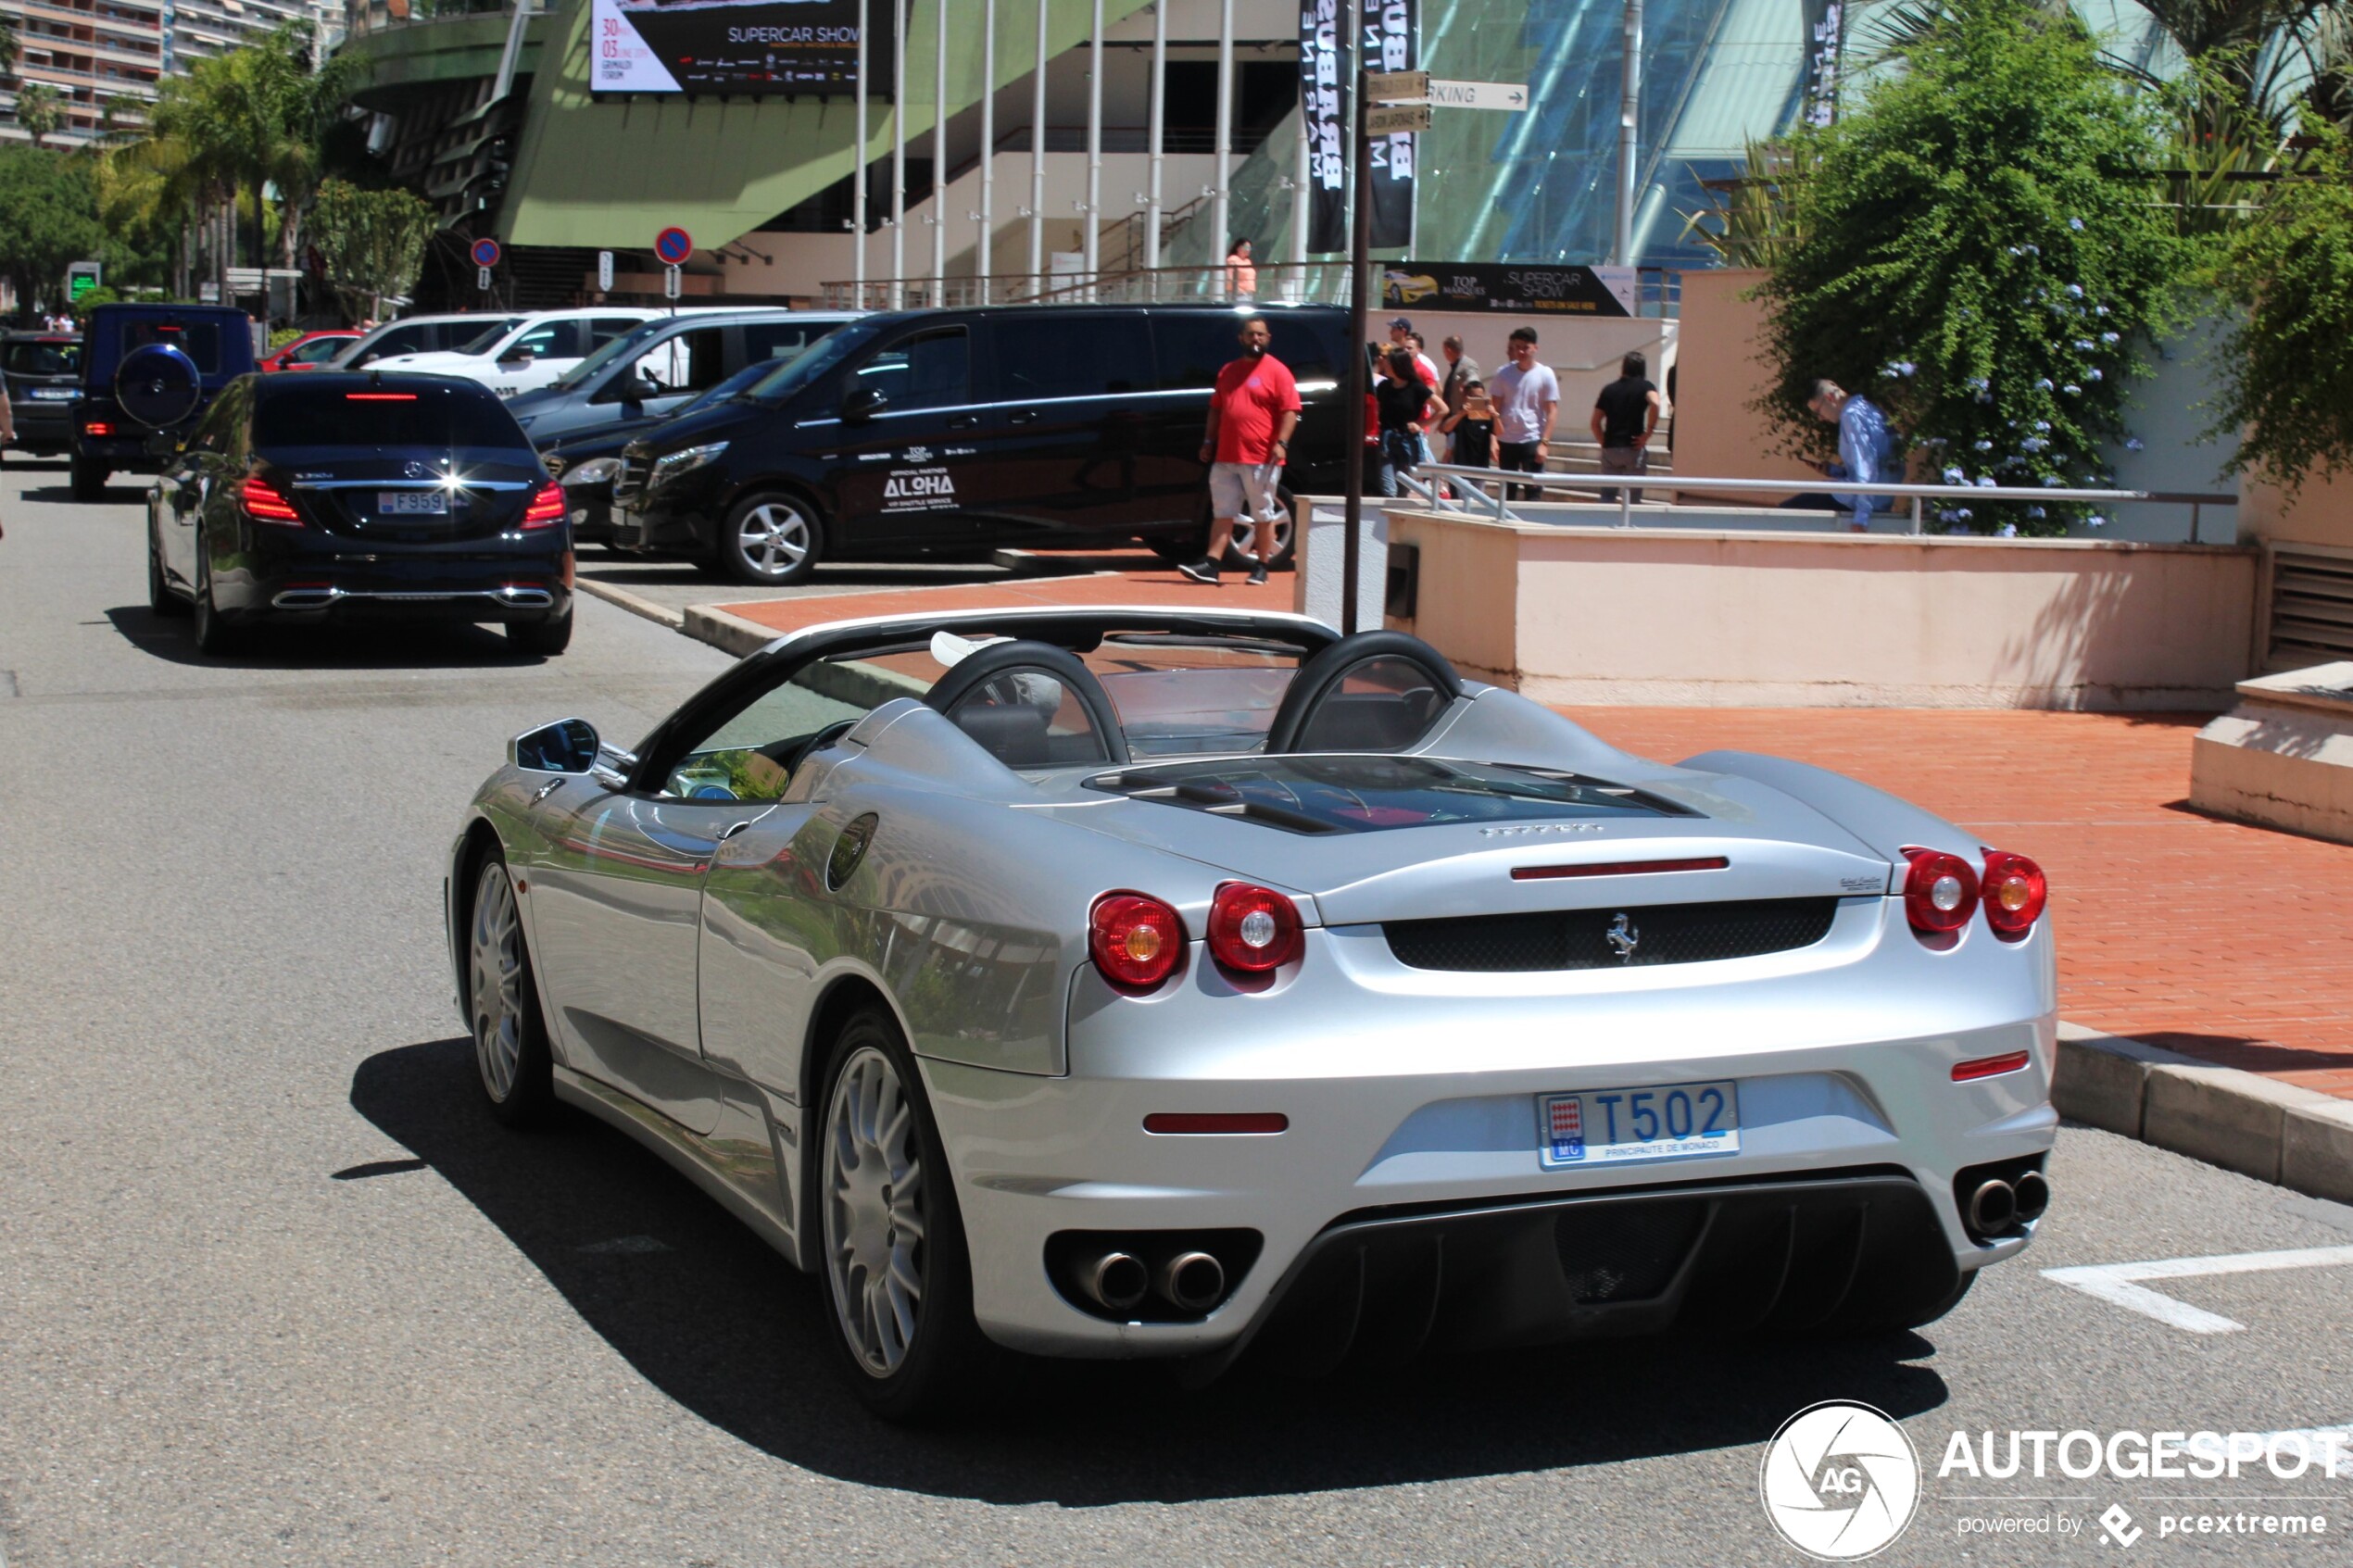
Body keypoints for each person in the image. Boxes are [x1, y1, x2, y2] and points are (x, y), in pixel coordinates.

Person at [1180, 315, 1299, 587]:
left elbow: (1290, 411)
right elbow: (1217, 408)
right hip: (1226, 455)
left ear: (1268, 339)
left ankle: (1262, 566)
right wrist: (1209, 442)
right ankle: (1212, 564)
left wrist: (1281, 443)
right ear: (1241, 338)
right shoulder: (1228, 371)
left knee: (1262, 512)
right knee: (1223, 511)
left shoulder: (1278, 371)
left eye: (1260, 334)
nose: (1255, 339)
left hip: (1260, 457)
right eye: (1250, 334)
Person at [1780, 379, 1896, 530]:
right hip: (1879, 500)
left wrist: (1861, 518)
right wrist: (1834, 471)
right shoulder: (1869, 409)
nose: (1820, 418)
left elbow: (1866, 468)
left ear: (1829, 398)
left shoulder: (1851, 416)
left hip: (1857, 501)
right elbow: (1876, 463)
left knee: (1783, 514)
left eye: (1818, 411)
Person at [1489, 326, 1559, 501]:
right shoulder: (1503, 373)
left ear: (1535, 348)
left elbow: (1552, 411)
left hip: (1532, 439)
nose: (1521, 351)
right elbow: (1494, 408)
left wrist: (1544, 443)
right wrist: (1493, 440)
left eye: (1525, 347)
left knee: (1533, 491)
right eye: (1517, 347)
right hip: (1506, 440)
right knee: (1507, 492)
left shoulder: (1545, 374)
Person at [1591, 350, 1662, 504]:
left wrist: (1604, 442)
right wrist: (1648, 432)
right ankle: (1630, 526)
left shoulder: (1609, 389)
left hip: (1611, 448)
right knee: (1633, 499)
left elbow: (1595, 423)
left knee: (1607, 497)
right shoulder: (1645, 386)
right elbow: (1655, 403)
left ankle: (1603, 525)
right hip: (1633, 448)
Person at [1374, 347, 1437, 497]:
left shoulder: (1416, 388)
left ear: (1398, 365)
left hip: (1407, 442)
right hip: (1387, 441)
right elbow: (1376, 409)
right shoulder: (1384, 386)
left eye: (1388, 363)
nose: (1385, 365)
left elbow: (1443, 409)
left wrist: (1420, 425)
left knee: (1403, 487)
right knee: (1388, 487)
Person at [1438, 334, 1481, 458]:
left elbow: (1474, 381)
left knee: (1452, 455)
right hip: (1454, 420)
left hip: (1463, 420)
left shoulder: (1468, 365)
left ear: (1448, 350)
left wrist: (1468, 386)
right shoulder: (1455, 367)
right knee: (1450, 454)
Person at [1439, 379, 1492, 472]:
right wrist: (1461, 414)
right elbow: (1446, 428)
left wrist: (1495, 415)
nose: (1477, 400)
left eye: (1480, 398)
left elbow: (1497, 432)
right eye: (1473, 397)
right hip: (1461, 468)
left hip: (1481, 467)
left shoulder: (1486, 416)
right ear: (1466, 397)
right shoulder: (1460, 415)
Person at [1226, 238, 1257, 303]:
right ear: (1239, 248)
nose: (1248, 250)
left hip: (1249, 293)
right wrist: (1238, 290)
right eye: (1246, 247)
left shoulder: (1248, 261)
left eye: (1250, 248)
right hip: (1238, 294)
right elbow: (1230, 275)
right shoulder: (1232, 259)